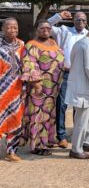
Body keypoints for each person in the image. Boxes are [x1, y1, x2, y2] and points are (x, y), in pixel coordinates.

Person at [20, 19, 65, 156]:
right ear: (36, 30)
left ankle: (48, 140)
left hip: (53, 89)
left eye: (48, 28)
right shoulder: (31, 45)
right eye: (42, 28)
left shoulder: (53, 43)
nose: (45, 30)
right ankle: (38, 145)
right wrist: (37, 84)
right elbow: (29, 64)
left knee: (50, 116)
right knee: (38, 116)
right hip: (39, 88)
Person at [48, 10, 89, 149]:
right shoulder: (64, 31)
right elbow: (45, 25)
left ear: (86, 22)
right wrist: (58, 16)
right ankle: (61, 136)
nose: (80, 22)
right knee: (62, 105)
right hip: (65, 73)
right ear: (73, 21)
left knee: (80, 105)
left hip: (82, 75)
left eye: (83, 20)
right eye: (78, 20)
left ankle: (78, 134)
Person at [66, 26, 89, 159]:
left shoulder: (79, 43)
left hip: (82, 86)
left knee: (88, 117)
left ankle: (87, 142)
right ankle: (76, 149)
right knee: (82, 120)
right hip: (86, 87)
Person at [0, 18, 25, 162]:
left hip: (16, 89)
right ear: (3, 28)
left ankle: (11, 152)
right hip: (1, 88)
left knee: (16, 120)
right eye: (9, 27)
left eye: (15, 27)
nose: (13, 30)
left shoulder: (22, 44)